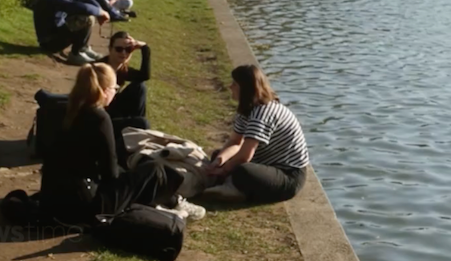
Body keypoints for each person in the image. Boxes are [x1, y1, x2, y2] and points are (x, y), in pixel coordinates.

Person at [39, 64, 201, 225]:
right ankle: (172, 202)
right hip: (85, 207)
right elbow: (110, 173)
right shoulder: (99, 118)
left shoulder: (64, 109)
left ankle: (165, 201)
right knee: (153, 168)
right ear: (104, 91)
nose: (115, 92)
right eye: (114, 88)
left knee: (134, 170)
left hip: (53, 200)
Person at [201, 65, 310, 204]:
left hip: (288, 175)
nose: (230, 87)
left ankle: (233, 189)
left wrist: (224, 170)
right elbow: (235, 142)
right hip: (264, 163)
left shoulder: (262, 113)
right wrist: (219, 161)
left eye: (234, 84)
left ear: (245, 88)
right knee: (218, 154)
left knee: (243, 170)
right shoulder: (246, 109)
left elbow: (245, 155)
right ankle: (229, 184)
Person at [33, 0, 109, 65]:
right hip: (49, 42)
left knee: (89, 15)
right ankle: (75, 54)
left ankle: (83, 49)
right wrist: (101, 13)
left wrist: (99, 10)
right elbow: (80, 7)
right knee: (86, 19)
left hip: (58, 33)